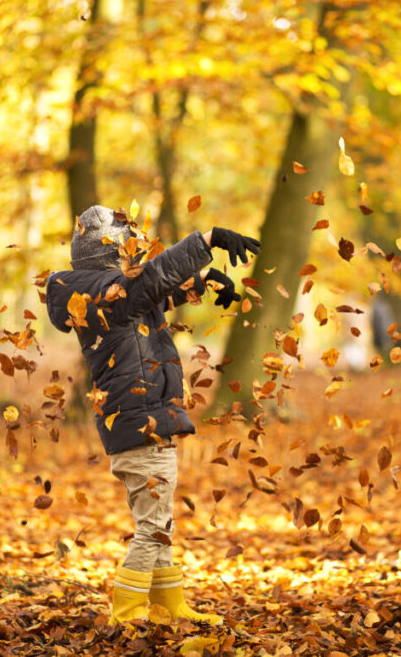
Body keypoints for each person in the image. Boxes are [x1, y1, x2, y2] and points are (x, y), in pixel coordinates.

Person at [45, 205, 260, 626]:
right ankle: (126, 614)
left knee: (161, 522)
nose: (133, 253)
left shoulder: (108, 293)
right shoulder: (92, 294)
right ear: (105, 253)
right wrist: (207, 242)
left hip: (147, 418)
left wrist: (200, 280)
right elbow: (143, 287)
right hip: (135, 422)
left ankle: (167, 605)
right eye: (126, 246)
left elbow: (151, 293)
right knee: (152, 525)